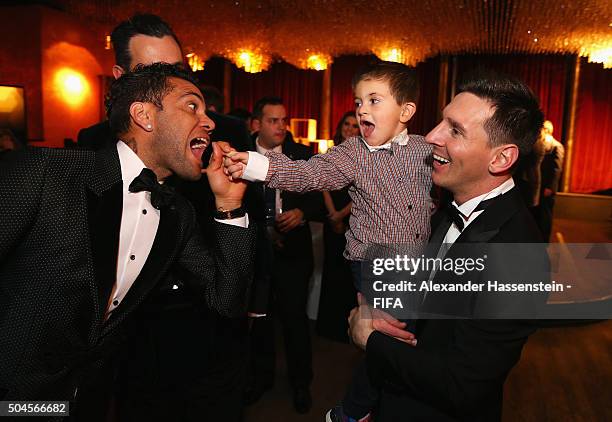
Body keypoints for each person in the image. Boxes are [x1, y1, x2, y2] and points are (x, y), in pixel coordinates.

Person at [0, 63, 255, 420]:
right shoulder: (44, 171)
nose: (210, 122)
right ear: (144, 115)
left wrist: (229, 205)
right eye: (192, 106)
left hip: (88, 402)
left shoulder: (177, 214)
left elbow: (227, 300)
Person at [340, 73, 548, 422]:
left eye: (455, 130)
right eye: (441, 121)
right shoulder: (441, 208)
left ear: (500, 159)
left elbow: (462, 383)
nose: (432, 136)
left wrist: (368, 338)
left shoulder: (518, 254)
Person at [224, 61, 433, 335]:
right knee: (388, 335)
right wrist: (256, 165)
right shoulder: (354, 152)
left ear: (405, 111)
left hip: (418, 263)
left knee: (412, 333)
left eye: (374, 100)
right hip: (375, 264)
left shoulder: (425, 149)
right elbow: (311, 173)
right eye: (359, 102)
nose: (362, 110)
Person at [243, 96, 321, 413]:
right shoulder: (240, 153)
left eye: (284, 120)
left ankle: (301, 384)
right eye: (273, 121)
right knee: (257, 321)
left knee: (294, 321)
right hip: (253, 254)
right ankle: (260, 379)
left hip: (293, 254)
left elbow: (320, 199)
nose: (281, 127)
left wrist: (302, 212)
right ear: (256, 124)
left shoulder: (302, 155)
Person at [316, 111, 359, 342]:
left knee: (348, 274)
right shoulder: (331, 153)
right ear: (340, 127)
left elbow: (363, 192)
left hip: (353, 220)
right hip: (330, 215)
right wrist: (332, 214)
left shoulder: (364, 156)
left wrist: (341, 215)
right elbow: (322, 184)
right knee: (330, 270)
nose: (350, 129)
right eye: (347, 124)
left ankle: (346, 329)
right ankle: (327, 326)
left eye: (355, 126)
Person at [537, 120, 565, 241]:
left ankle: (544, 240)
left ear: (547, 130)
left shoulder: (556, 146)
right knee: (539, 214)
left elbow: (556, 169)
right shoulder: (541, 145)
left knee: (546, 215)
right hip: (539, 186)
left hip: (547, 188)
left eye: (541, 130)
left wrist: (550, 187)